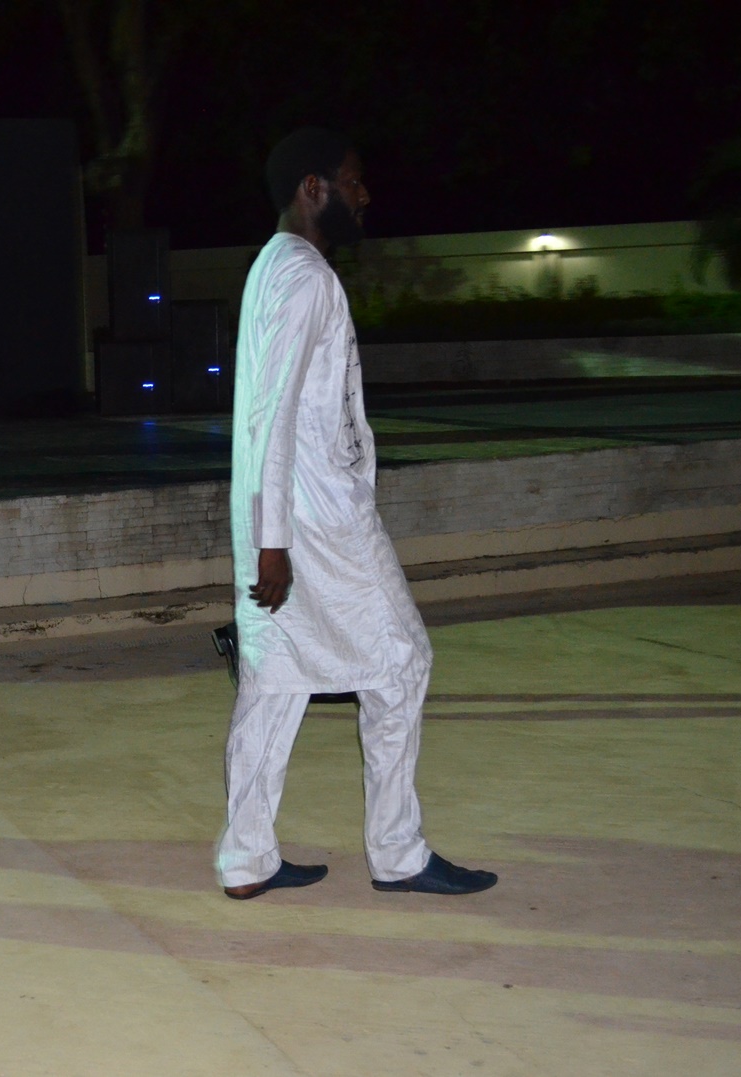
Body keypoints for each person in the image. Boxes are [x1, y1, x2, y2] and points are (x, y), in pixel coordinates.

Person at [218, 128, 497, 900]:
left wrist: (265, 533)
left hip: (282, 514)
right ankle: (398, 852)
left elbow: (264, 415)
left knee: (275, 678)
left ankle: (246, 857)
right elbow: (272, 416)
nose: (364, 194)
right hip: (319, 521)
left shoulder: (271, 266)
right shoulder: (306, 278)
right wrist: (275, 543)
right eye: (352, 180)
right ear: (314, 189)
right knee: (402, 660)